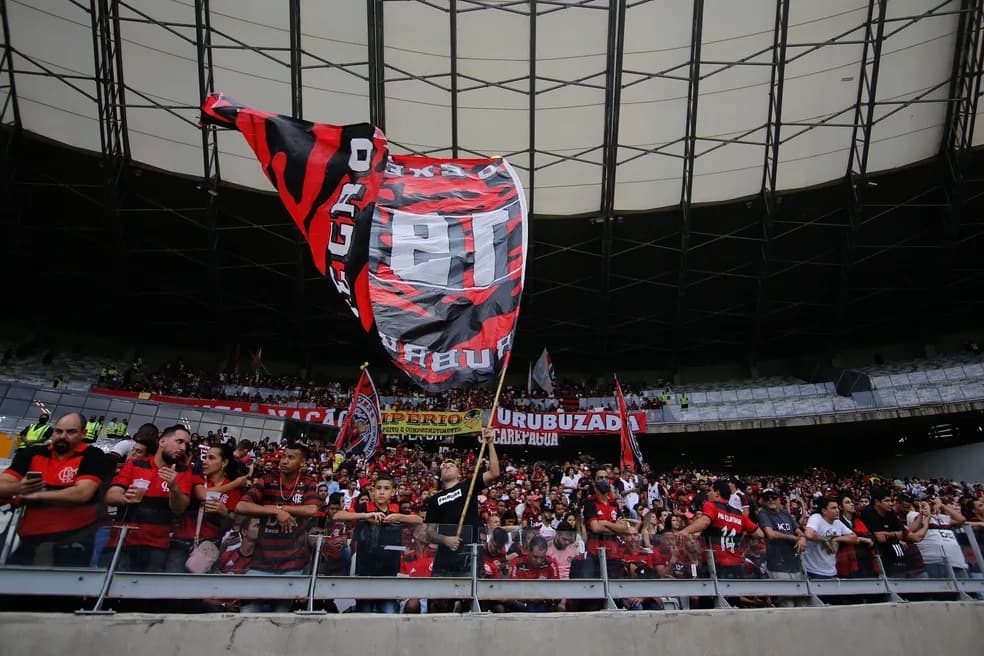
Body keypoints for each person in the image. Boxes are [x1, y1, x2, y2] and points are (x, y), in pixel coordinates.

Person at [0, 412, 112, 566]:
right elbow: (3, 484)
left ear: (83, 433)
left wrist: (37, 494)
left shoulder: (92, 455)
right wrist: (19, 487)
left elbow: (82, 493)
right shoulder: (33, 453)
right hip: (27, 538)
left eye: (71, 432)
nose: (63, 436)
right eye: (58, 431)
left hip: (73, 539)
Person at [234, 442, 321, 612]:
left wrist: (282, 509)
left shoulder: (308, 483)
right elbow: (241, 506)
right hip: (261, 563)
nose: (284, 461)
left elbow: (312, 509)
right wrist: (275, 512)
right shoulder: (267, 480)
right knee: (248, 614)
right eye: (283, 456)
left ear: (302, 463)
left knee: (281, 617)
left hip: (292, 565)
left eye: (290, 457)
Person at [101, 424, 195, 571]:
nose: (183, 448)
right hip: (122, 542)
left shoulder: (183, 471)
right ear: (162, 441)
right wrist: (125, 497)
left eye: (186, 444)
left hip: (157, 547)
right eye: (179, 441)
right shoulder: (135, 464)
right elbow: (110, 496)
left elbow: (180, 509)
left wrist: (174, 488)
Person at [334, 471, 422, 613]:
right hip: (365, 568)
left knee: (389, 612)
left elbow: (419, 520)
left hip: (389, 569)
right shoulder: (364, 507)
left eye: (386, 489)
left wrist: (398, 517)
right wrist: (365, 516)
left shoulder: (396, 508)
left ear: (393, 492)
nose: (382, 492)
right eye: (378, 488)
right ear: (373, 491)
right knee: (364, 612)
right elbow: (338, 515)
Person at [427, 428, 500, 577]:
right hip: (446, 553)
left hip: (470, 550)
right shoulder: (434, 499)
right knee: (440, 597)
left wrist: (491, 443)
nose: (447, 466)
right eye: (444, 466)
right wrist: (445, 539)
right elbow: (429, 532)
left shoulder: (469, 485)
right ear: (440, 477)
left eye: (451, 465)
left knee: (470, 595)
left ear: (458, 474)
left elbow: (494, 473)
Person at [164, 443, 244, 573]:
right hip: (181, 542)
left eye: (211, 458)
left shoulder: (234, 491)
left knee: (201, 589)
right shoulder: (196, 477)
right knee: (171, 585)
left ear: (224, 463)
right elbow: (202, 495)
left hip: (210, 546)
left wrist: (224, 514)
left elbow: (228, 526)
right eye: (205, 457)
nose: (205, 462)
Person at [678, 479, 762, 579]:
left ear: (717, 493)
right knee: (733, 594)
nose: (708, 494)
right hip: (737, 565)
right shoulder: (739, 514)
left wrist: (684, 531)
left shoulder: (711, 505)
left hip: (715, 564)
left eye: (710, 491)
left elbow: (704, 522)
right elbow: (759, 534)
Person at [757, 488, 808, 606]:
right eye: (767, 498)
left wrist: (802, 538)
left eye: (773, 497)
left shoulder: (785, 513)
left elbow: (798, 531)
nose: (770, 500)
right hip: (776, 565)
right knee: (787, 603)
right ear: (763, 501)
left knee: (803, 602)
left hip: (795, 565)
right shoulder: (763, 513)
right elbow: (770, 534)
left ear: (778, 499)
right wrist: (795, 538)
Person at [803, 497, 866, 580]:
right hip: (813, 571)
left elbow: (855, 538)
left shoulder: (837, 522)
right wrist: (825, 539)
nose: (837, 510)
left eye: (837, 507)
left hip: (832, 571)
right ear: (824, 511)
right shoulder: (816, 517)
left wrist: (835, 539)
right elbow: (809, 534)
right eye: (833, 508)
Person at [907, 497, 968, 579]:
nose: (930, 505)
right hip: (933, 561)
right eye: (928, 504)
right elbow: (921, 521)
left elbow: (961, 519)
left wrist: (942, 505)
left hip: (955, 561)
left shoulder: (942, 517)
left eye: (932, 504)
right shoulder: (913, 515)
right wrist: (925, 506)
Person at [507, 535, 560, 612]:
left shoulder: (551, 563)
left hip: (544, 604)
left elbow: (556, 590)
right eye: (535, 557)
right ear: (528, 551)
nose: (539, 561)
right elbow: (513, 590)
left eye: (542, 557)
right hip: (522, 605)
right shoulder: (517, 564)